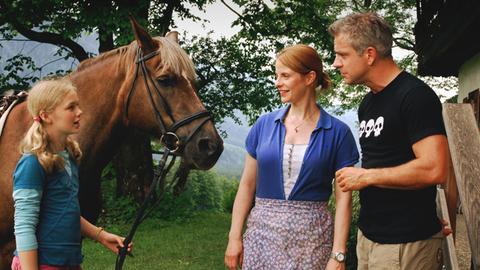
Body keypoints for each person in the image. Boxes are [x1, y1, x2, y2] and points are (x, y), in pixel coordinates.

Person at [330, 12, 449, 270]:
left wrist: (366, 177)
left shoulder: (415, 96)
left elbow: (435, 168)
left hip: (407, 244)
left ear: (370, 55)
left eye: (342, 55)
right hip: (369, 238)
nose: (335, 63)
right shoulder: (367, 103)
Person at [224, 44, 359, 270]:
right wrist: (234, 238)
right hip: (261, 238)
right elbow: (247, 186)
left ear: (309, 78)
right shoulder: (263, 125)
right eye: (277, 76)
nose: (278, 83)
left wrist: (338, 255)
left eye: (285, 76)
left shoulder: (338, 132)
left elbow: (344, 200)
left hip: (313, 242)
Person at [11, 79, 132, 270]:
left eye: (78, 106)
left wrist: (101, 236)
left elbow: (66, 210)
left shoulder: (68, 157)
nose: (79, 112)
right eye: (71, 107)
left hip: (69, 263)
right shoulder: (32, 164)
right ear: (46, 115)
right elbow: (24, 226)